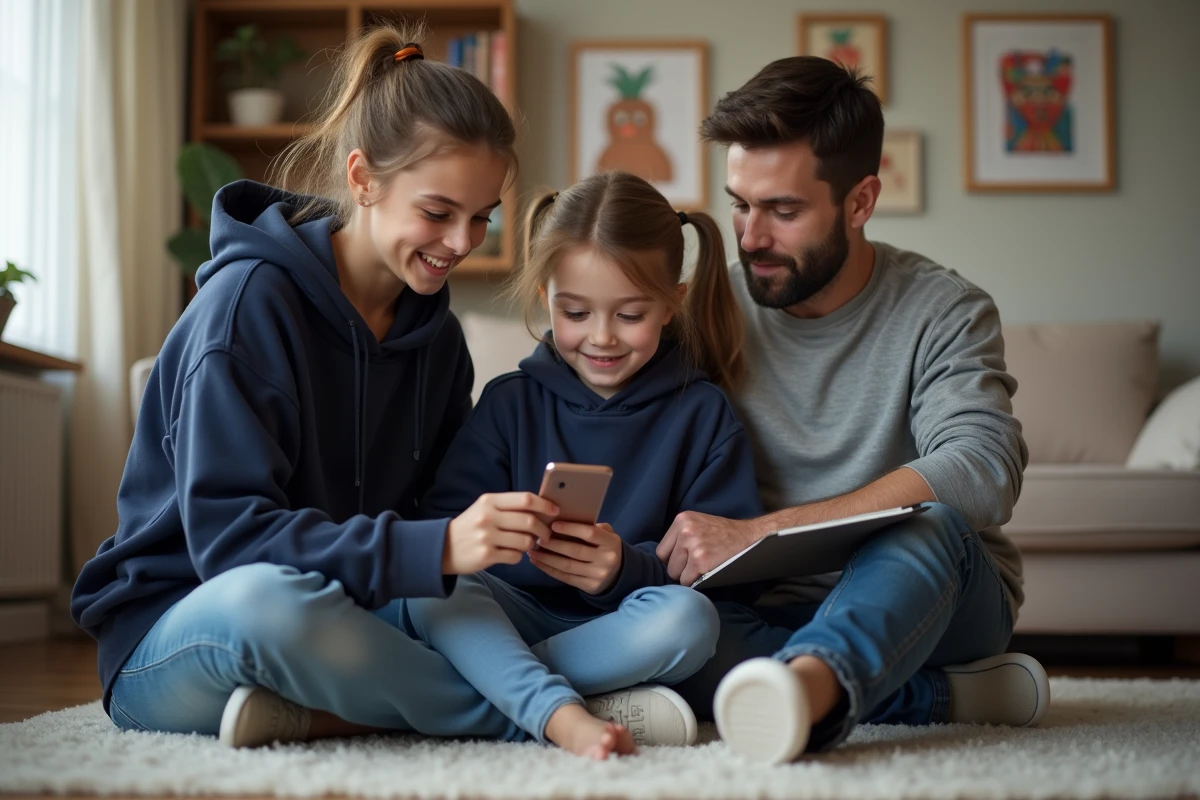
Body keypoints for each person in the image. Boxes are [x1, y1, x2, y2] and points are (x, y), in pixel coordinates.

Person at [69, 26, 570, 750]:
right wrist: (434, 550)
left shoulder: (438, 342)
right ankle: (538, 712)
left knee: (478, 602)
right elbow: (232, 545)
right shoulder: (247, 307)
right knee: (273, 604)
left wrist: (505, 538)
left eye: (481, 218)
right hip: (183, 626)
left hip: (346, 618)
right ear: (363, 180)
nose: (463, 242)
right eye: (438, 212)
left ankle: (333, 714)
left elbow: (431, 518)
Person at [655, 57, 1051, 764]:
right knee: (668, 620)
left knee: (928, 523)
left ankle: (806, 691)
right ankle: (935, 697)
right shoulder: (711, 302)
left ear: (861, 201)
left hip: (928, 596)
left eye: (783, 210)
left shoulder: (944, 309)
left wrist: (764, 531)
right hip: (769, 602)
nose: (749, 238)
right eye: (740, 204)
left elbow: (983, 468)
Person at [407, 171, 764, 758]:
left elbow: (724, 578)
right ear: (547, 297)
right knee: (430, 586)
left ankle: (497, 697)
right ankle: (573, 704)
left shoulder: (702, 414)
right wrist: (500, 533)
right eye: (575, 313)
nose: (601, 338)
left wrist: (622, 570)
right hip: (505, 623)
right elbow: (444, 530)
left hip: (626, 630)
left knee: (690, 620)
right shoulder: (510, 402)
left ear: (672, 303)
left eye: (629, 315)